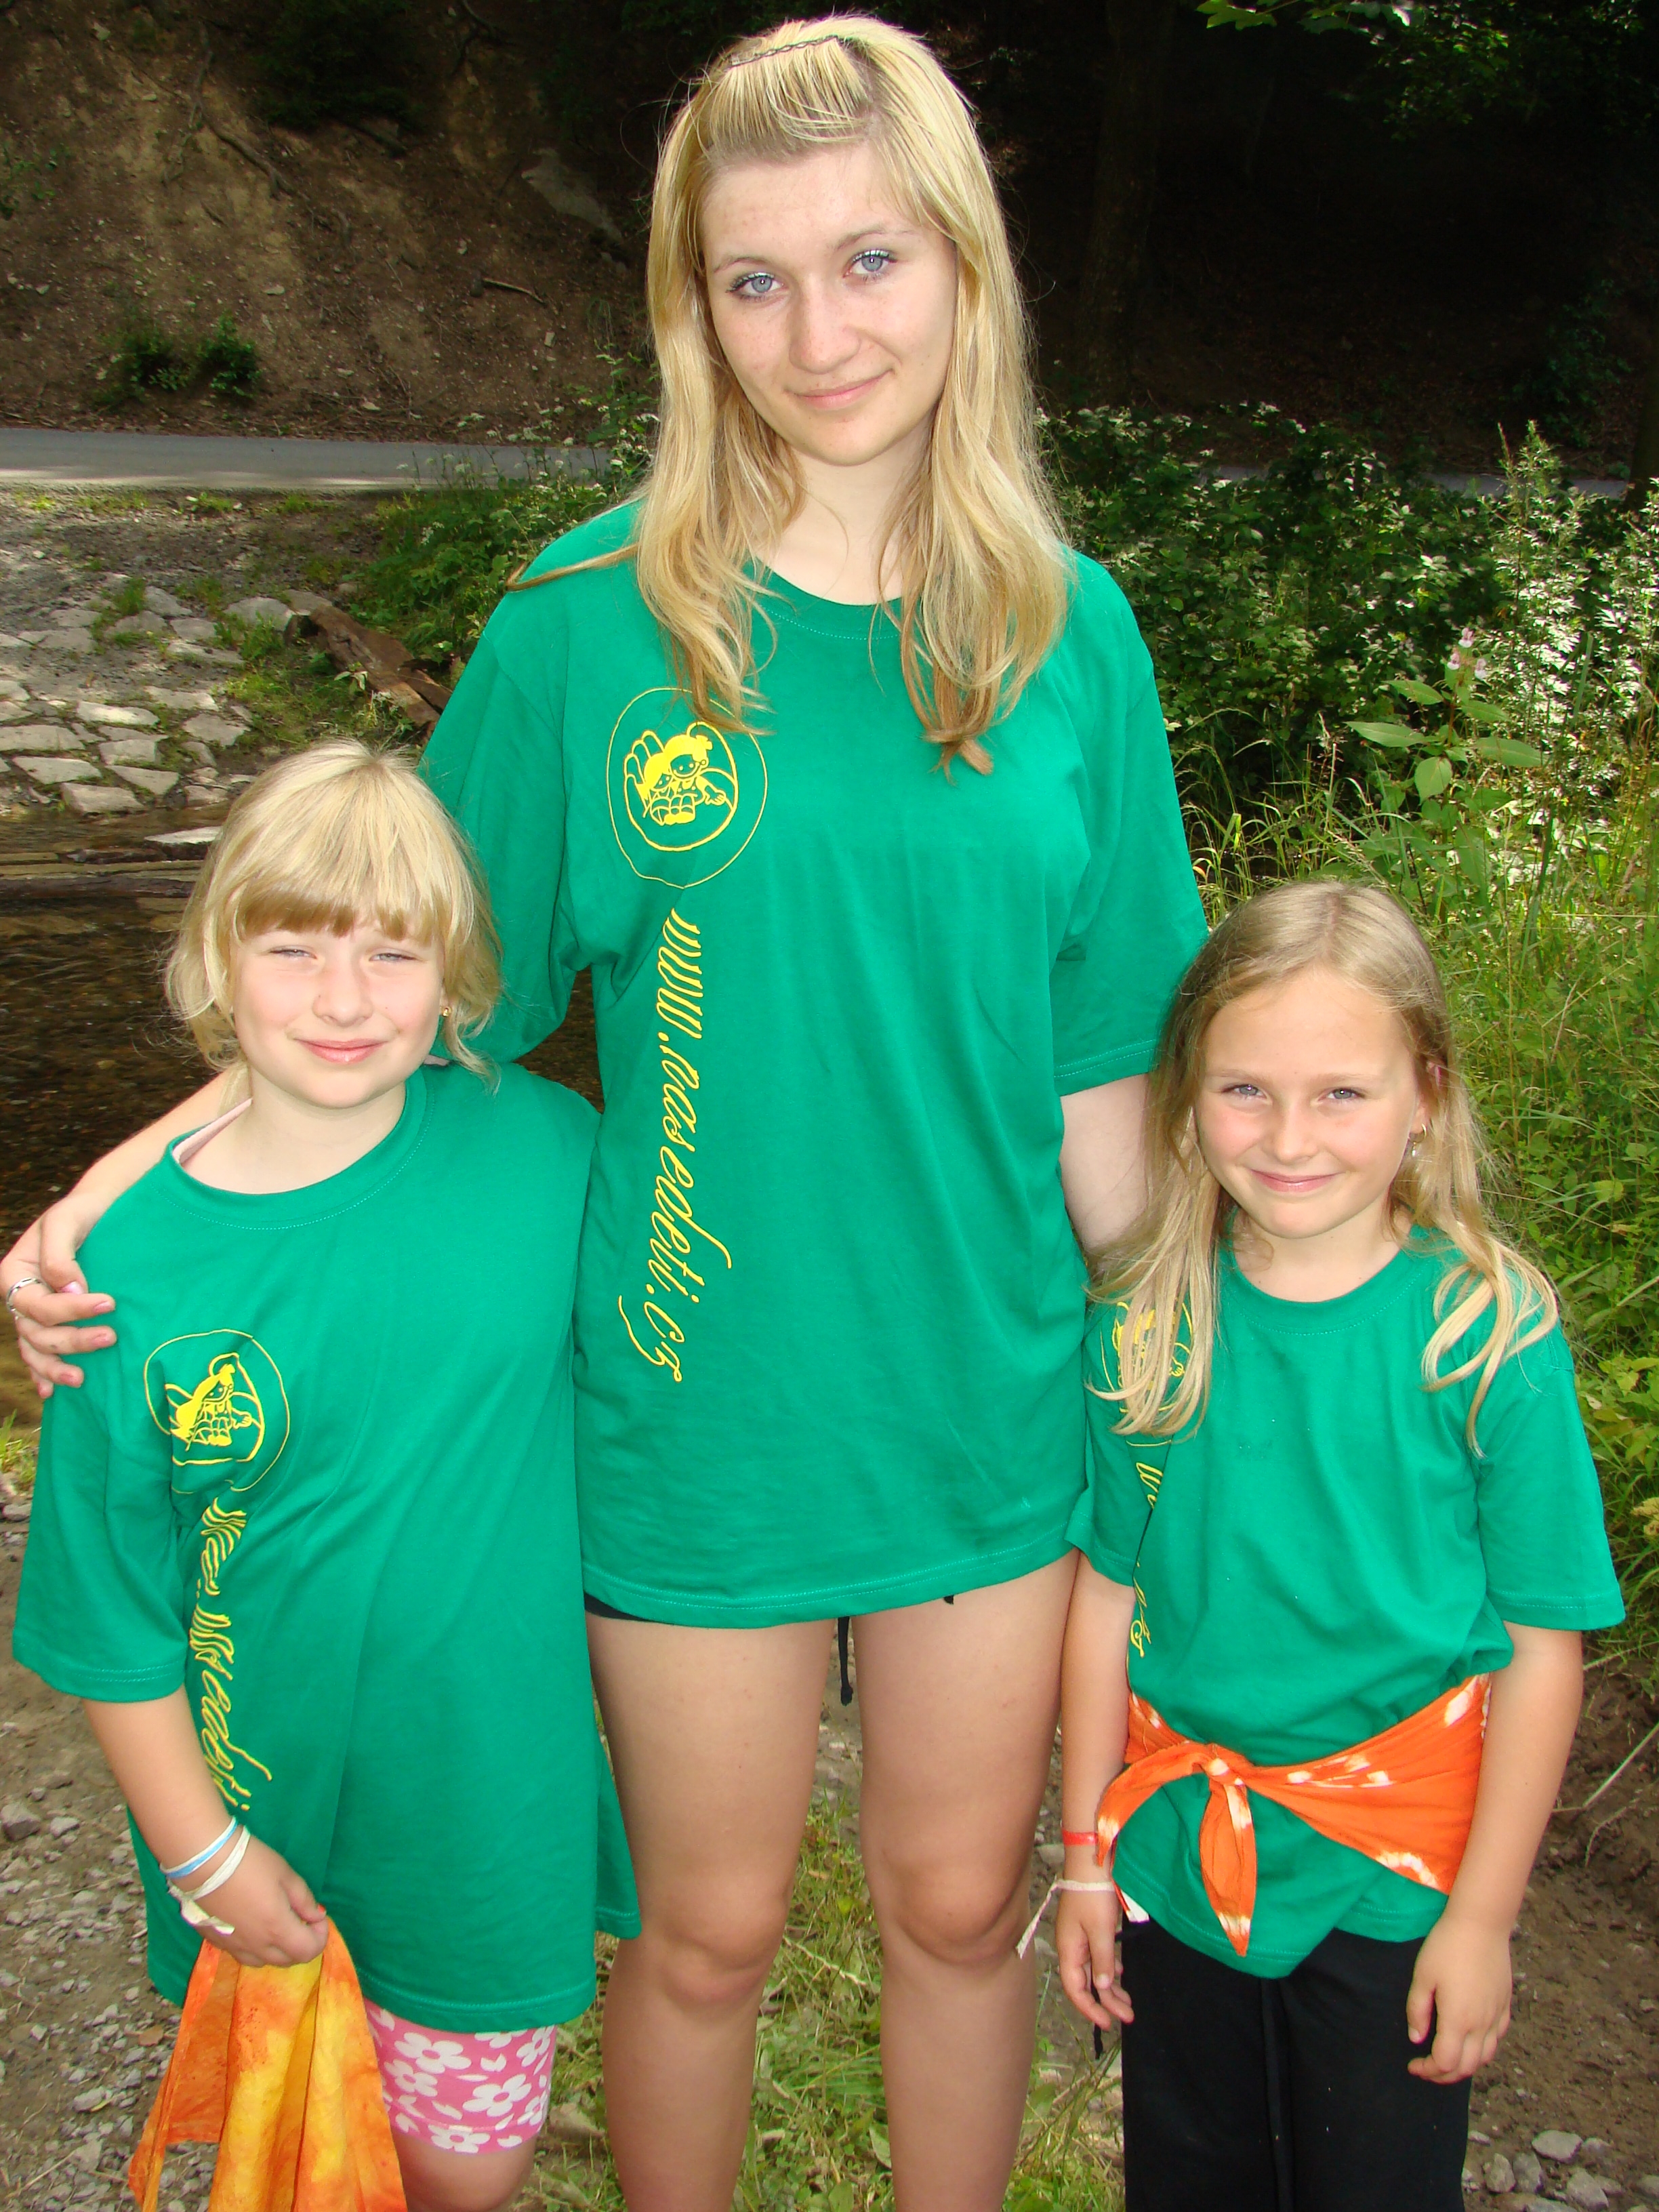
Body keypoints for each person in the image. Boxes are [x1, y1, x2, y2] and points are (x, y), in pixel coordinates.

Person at [4, 20, 1206, 2208]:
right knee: (704, 1935)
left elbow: (1108, 1109)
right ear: (689, 307)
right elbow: (380, 996)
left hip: (984, 1408)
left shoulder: (1074, 637)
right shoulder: (587, 626)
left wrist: (1263, 1326)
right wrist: (116, 1189)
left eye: (869, 261)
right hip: (685, 1414)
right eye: (755, 279)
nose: (819, 334)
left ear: (963, 264)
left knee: (959, 1912)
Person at [12, 743, 637, 2212]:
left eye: (392, 953)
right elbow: (110, 1621)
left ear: (456, 974)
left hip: (487, 1801)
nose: (345, 999)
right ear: (216, 962)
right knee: (296, 2144)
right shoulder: (123, 1276)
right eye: (292, 948)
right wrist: (200, 1856)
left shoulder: (549, 1150)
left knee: (463, 2170)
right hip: (251, 1804)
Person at [1053, 879, 1624, 2212]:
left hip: (1394, 1881)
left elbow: (1543, 1650)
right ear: (1187, 1095)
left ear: (1427, 1093)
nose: (1289, 1138)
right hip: (1183, 1863)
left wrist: (1483, 1919)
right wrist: (1084, 1856)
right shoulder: (1150, 1330)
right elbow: (1105, 1601)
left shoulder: (1486, 1339)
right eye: (1245, 1090)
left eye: (1342, 1094)